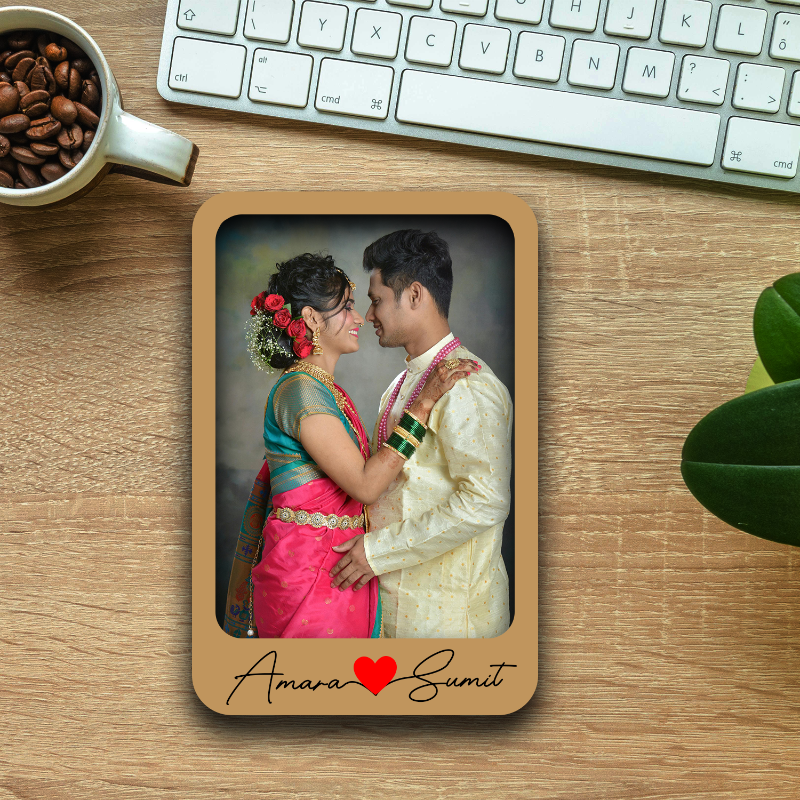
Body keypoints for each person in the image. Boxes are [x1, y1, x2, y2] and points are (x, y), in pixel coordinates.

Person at [223, 252, 479, 639]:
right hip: (309, 574)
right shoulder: (300, 390)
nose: (360, 319)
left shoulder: (321, 388)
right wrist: (423, 404)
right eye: (346, 308)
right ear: (311, 319)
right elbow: (364, 485)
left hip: (336, 567)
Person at [329, 230, 513, 638]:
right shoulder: (403, 382)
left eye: (376, 301)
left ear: (414, 295)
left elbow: (486, 501)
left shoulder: (467, 383)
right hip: (397, 606)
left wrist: (377, 553)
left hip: (449, 620)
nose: (369, 315)